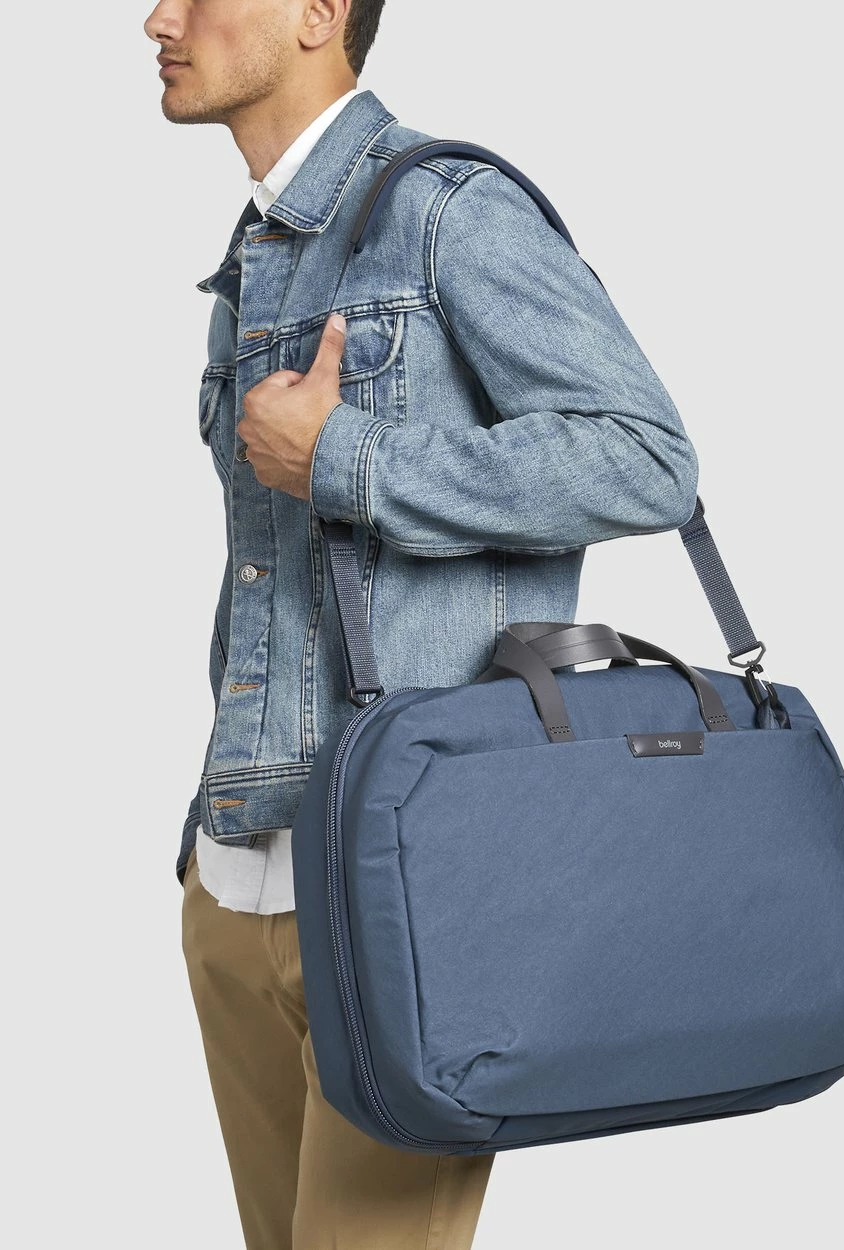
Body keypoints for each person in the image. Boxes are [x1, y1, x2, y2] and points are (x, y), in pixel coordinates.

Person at [144, 1, 699, 1246]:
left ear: (318, 12)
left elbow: (648, 457)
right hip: (237, 874)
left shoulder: (447, 212)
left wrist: (348, 456)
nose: (157, 18)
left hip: (410, 878)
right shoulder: (260, 248)